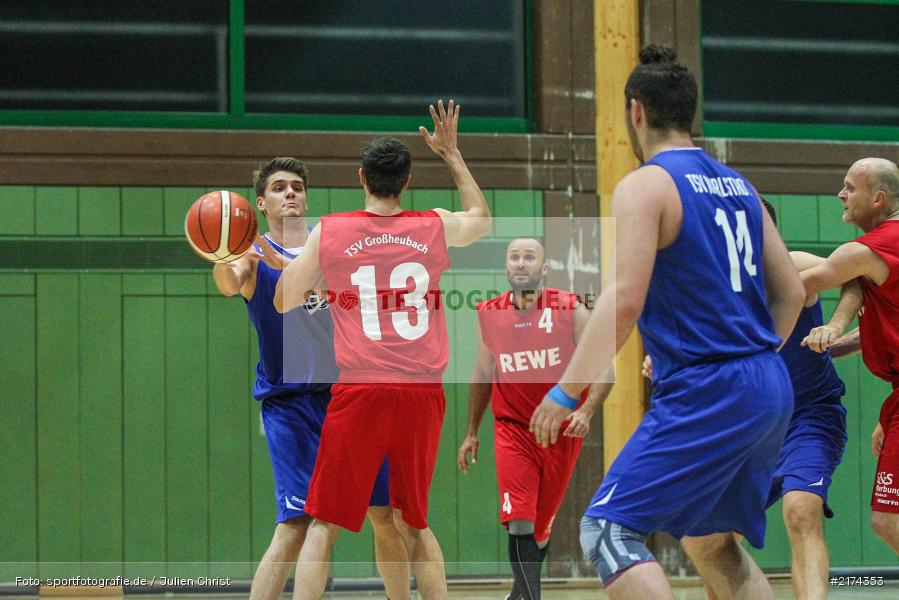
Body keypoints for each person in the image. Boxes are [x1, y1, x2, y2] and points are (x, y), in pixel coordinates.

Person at [529, 45, 805, 600]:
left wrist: (565, 391)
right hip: (769, 383)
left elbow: (625, 298)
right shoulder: (738, 185)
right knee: (708, 540)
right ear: (689, 111)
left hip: (710, 386)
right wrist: (749, 357)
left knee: (606, 529)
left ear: (636, 111)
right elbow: (792, 291)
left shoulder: (647, 184)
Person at [271, 100, 491, 600]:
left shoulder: (332, 230)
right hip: (421, 394)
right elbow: (480, 218)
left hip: (362, 390)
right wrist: (452, 154)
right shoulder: (432, 224)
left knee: (324, 524)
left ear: (361, 179)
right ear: (406, 182)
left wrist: (318, 281)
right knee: (413, 523)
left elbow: (283, 301)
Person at [212, 157, 409, 600]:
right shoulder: (251, 255)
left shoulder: (334, 247)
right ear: (261, 203)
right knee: (295, 525)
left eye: (297, 186)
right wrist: (220, 257)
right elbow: (229, 282)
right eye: (279, 187)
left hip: (350, 399)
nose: (290, 193)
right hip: (292, 405)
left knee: (386, 514)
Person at [643, 200, 850, 600]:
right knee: (710, 537)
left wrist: (838, 327)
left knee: (801, 509)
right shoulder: (716, 283)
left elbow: (854, 277)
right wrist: (665, 358)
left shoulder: (796, 263)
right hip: (749, 422)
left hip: (808, 414)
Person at [458, 237, 613, 600]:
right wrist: (471, 432)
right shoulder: (489, 313)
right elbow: (482, 374)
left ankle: (520, 594)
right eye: (514, 257)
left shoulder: (570, 309)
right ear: (506, 267)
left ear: (544, 268)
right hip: (512, 429)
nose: (521, 263)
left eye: (529, 257)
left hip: (559, 433)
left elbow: (604, 368)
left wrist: (586, 412)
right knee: (519, 522)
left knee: (539, 532)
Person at [798, 157, 899, 553]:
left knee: (887, 519)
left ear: (877, 198)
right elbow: (879, 327)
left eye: (849, 188)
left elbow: (799, 282)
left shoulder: (874, 247)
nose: (841, 194)